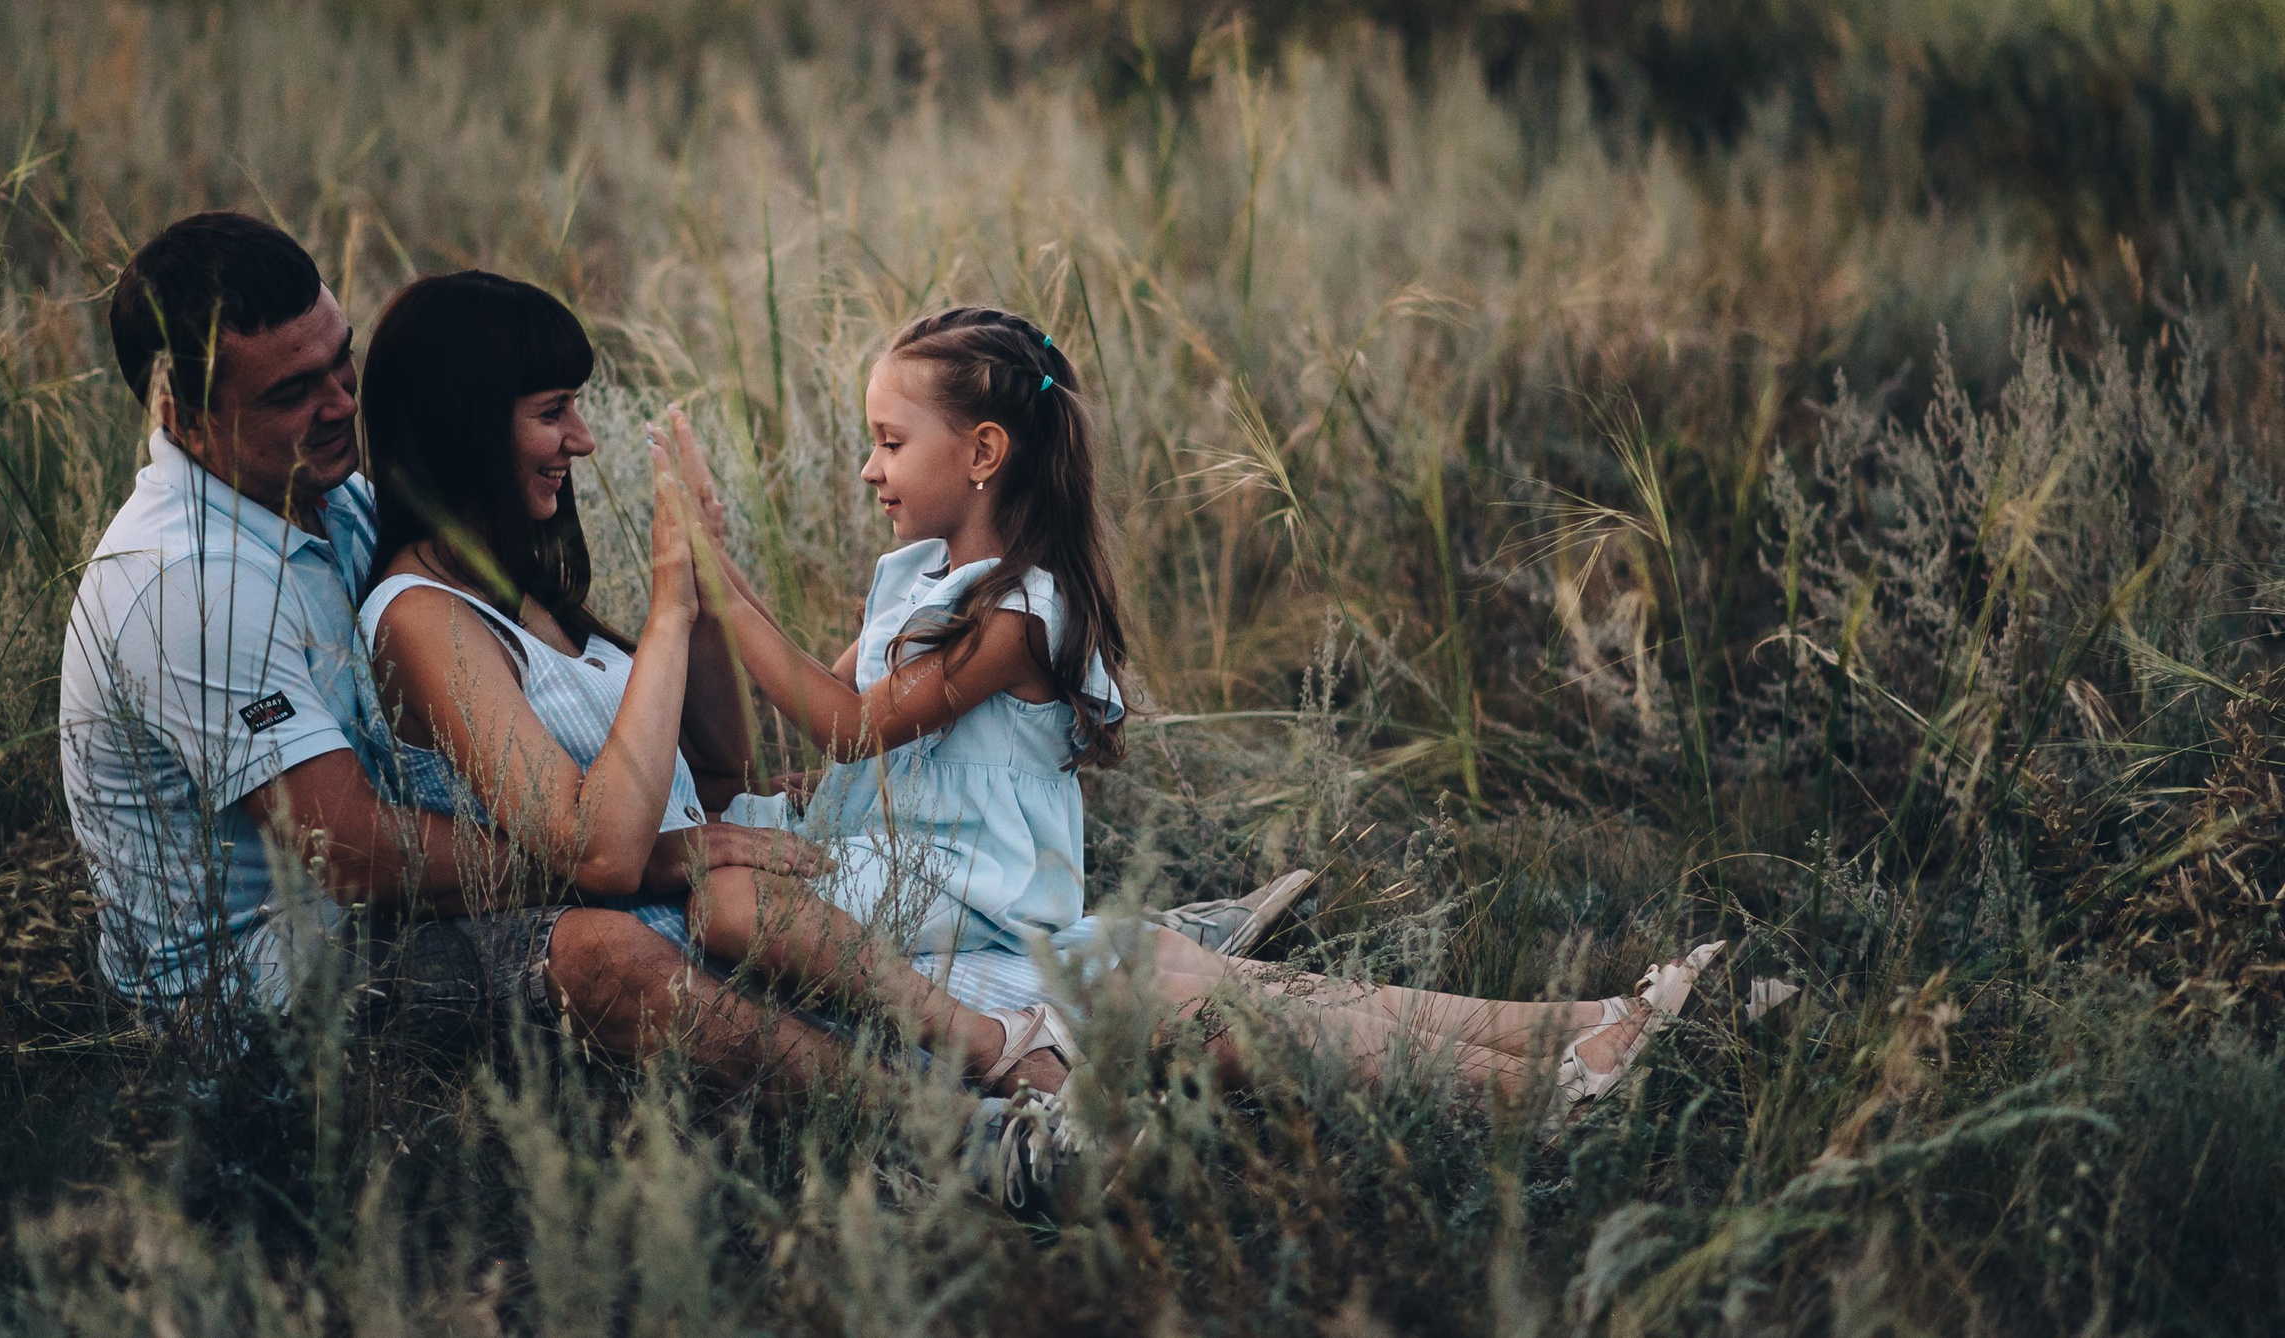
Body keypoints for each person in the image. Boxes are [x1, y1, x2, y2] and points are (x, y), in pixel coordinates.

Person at [668, 305, 1723, 1102]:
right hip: (912, 866)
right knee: (1224, 986)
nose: (866, 467)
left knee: (1233, 995)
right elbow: (848, 712)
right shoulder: (914, 576)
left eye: (891, 441)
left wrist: (714, 575)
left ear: (984, 451)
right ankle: (1578, 1035)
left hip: (963, 891)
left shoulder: (1023, 611)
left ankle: (1574, 1042)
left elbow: (851, 721)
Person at [56, 212, 848, 1098]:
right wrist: (642, 854)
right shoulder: (185, 586)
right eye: (291, 392)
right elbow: (346, 851)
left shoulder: (334, 499)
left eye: (341, 362)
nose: (341, 406)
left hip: (375, 915)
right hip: (260, 990)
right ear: (183, 416)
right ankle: (924, 1118)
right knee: (600, 952)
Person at [354, 271, 1073, 1101]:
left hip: (743, 920)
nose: (583, 440)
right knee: (1065, 998)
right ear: (465, 429)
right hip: (677, 952)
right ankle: (987, 1096)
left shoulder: (525, 592)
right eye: (553, 413)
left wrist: (704, 580)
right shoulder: (420, 617)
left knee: (1099, 980)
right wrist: (668, 609)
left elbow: (721, 768)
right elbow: (600, 850)